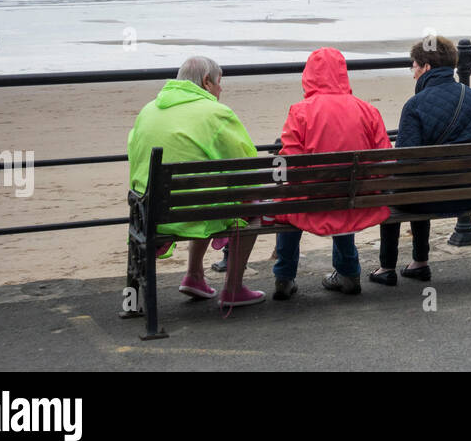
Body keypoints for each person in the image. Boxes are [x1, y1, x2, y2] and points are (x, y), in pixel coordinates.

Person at [370, 35, 471, 286]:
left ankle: (387, 267)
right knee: (418, 183)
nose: (412, 72)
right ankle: (418, 264)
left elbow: (405, 165)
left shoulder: (414, 106)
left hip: (426, 201)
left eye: (413, 66)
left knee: (395, 186)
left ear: (426, 68)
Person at [128, 55, 264, 309]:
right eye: (219, 83)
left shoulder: (147, 110)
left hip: (150, 212)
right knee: (249, 208)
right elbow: (245, 165)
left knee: (203, 196)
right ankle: (233, 288)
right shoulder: (216, 113)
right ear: (206, 81)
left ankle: (195, 275)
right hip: (197, 210)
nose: (221, 89)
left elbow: (134, 156)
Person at [270, 48, 392, 299]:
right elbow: (384, 159)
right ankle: (349, 272)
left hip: (312, 201)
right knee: (344, 197)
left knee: (288, 201)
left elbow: (289, 161)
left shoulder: (300, 111)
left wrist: (282, 182)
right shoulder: (368, 110)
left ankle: (284, 276)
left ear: (309, 75)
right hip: (357, 199)